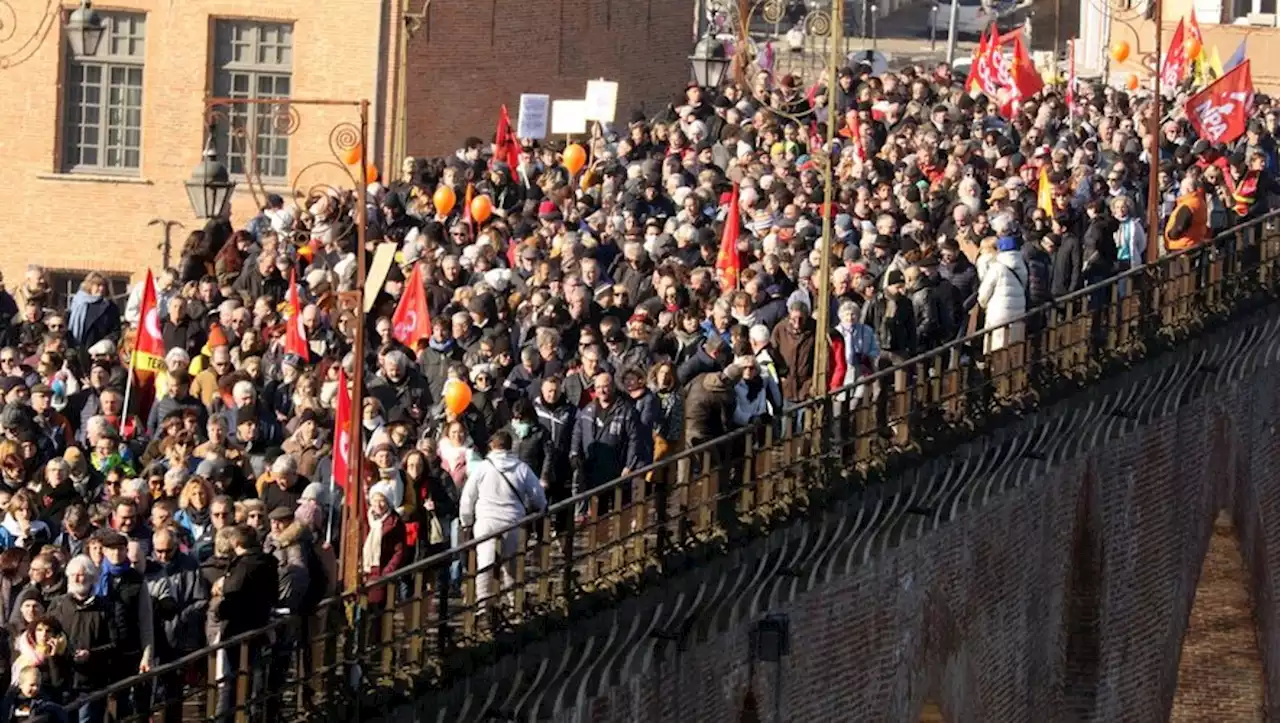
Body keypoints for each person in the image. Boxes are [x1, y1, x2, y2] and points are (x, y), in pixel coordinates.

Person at [459, 431, 545, 619]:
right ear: (510, 446)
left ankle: (483, 604)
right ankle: (515, 601)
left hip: (486, 521)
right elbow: (538, 495)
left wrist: (466, 522)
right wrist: (540, 509)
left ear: (492, 446)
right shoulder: (521, 468)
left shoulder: (482, 468)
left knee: (485, 563)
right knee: (512, 564)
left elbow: (468, 497)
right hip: (513, 521)